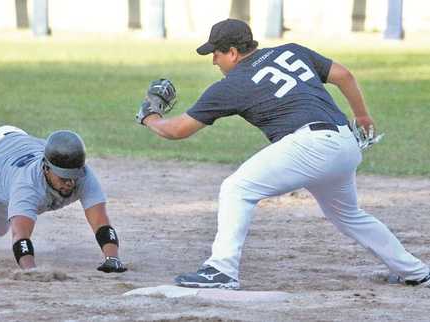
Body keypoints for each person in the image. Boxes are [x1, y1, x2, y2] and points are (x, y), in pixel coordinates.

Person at [136, 19, 429, 289]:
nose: (214, 60)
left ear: (234, 53)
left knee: (237, 188)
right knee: (349, 215)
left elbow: (177, 130)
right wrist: (362, 116)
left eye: (217, 53)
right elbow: (344, 75)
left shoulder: (234, 84)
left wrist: (149, 116)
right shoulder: (292, 51)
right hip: (345, 142)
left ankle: (221, 270)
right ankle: (415, 271)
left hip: (311, 146)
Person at [0, 125, 127, 273]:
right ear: (46, 168)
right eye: (63, 178)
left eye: (74, 177)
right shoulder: (26, 187)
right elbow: (20, 236)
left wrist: (112, 259)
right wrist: (31, 270)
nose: (70, 183)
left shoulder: (82, 174)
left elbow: (101, 223)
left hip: (16, 138)